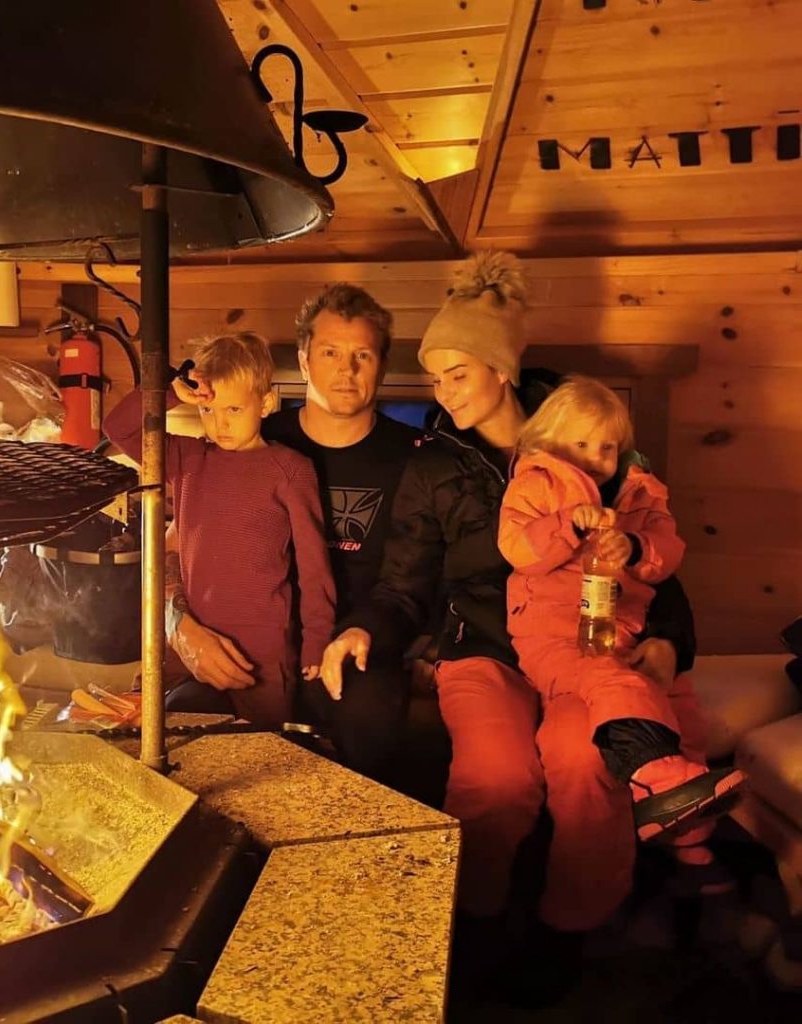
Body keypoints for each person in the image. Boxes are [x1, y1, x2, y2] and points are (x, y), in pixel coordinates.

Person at [318, 251, 700, 979]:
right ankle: (473, 921)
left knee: (585, 760)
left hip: (586, 646)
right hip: (484, 647)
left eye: (457, 375)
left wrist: (671, 642)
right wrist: (364, 628)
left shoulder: (594, 443)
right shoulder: (434, 464)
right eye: (435, 378)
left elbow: (655, 553)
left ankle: (567, 929)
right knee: (496, 776)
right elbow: (403, 583)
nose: (442, 392)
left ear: (501, 369)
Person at [165, 285, 420, 776]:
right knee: (185, 731)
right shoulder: (241, 439)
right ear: (303, 361)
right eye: (330, 352)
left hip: (358, 647)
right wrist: (178, 626)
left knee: (363, 725)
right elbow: (175, 546)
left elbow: (414, 579)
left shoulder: (414, 458)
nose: (346, 369)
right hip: (243, 643)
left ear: (382, 364)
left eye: (362, 355)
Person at [498, 376, 743, 859]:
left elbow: (668, 552)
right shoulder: (535, 484)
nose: (595, 457)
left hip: (624, 628)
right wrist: (567, 525)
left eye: (606, 447)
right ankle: (658, 778)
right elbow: (517, 548)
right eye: (581, 444)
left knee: (679, 705)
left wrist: (634, 546)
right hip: (552, 633)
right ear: (549, 440)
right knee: (612, 681)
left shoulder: (641, 492)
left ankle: (686, 825)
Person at [104, 331, 336, 727]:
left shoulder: (291, 470)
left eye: (233, 409)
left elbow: (315, 568)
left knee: (260, 746)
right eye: (208, 410)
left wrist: (317, 641)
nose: (220, 424)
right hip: (189, 636)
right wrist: (171, 392)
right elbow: (118, 428)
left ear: (266, 403)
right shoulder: (188, 457)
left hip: (262, 648)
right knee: (173, 738)